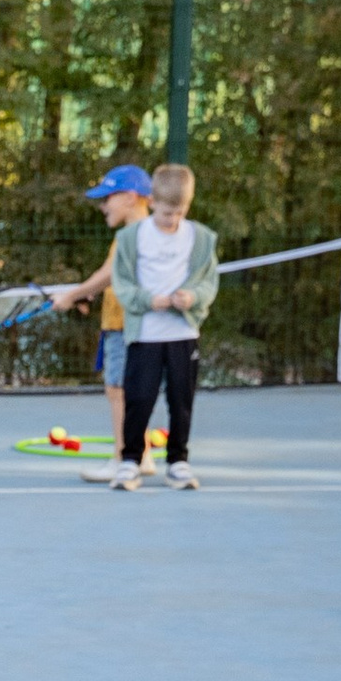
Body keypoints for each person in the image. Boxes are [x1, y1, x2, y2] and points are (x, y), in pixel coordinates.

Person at [108, 162, 219, 490]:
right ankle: (130, 461)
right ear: (152, 202)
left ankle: (178, 462)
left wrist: (192, 297)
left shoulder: (200, 238)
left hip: (183, 333)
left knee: (181, 399)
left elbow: (208, 283)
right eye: (166, 213)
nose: (172, 220)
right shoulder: (132, 238)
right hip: (145, 334)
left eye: (180, 213)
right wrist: (148, 300)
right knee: (139, 398)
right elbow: (123, 284)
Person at [49, 163, 153, 469]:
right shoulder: (143, 234)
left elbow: (109, 274)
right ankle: (142, 454)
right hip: (126, 322)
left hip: (124, 324)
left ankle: (124, 456)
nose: (102, 205)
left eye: (108, 197)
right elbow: (116, 277)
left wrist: (71, 295)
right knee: (129, 389)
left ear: (131, 197)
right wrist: (88, 292)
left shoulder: (130, 236)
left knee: (117, 390)